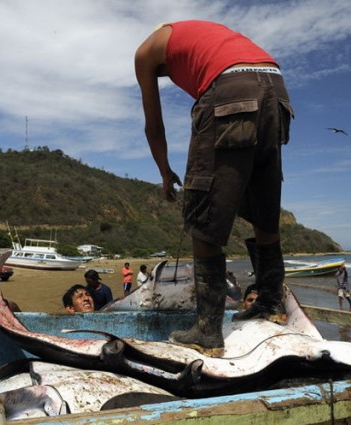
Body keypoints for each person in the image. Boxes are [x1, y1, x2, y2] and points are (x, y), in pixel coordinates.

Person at [135, 20, 293, 357]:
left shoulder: (144, 53)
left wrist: (164, 171)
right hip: (275, 86)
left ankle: (207, 330)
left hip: (231, 85)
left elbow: (154, 124)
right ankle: (269, 305)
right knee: (263, 204)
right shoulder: (200, 35)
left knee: (202, 205)